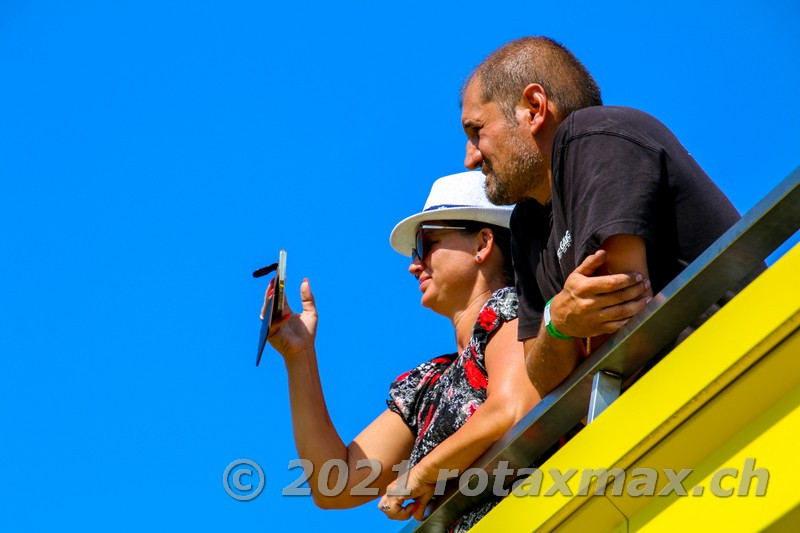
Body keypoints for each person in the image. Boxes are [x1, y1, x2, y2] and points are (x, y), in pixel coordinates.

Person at [460, 36, 749, 397]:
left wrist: (564, 333)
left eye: (476, 131)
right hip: (665, 402)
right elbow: (541, 380)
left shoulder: (592, 135)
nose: (470, 158)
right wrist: (558, 322)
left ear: (534, 108)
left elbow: (624, 328)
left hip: (736, 375)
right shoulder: (526, 223)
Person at [262, 171, 539, 531]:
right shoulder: (430, 384)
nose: (413, 265)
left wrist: (420, 473)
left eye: (426, 244)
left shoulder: (513, 311)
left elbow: (513, 408)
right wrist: (299, 355)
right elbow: (335, 483)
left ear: (482, 244)